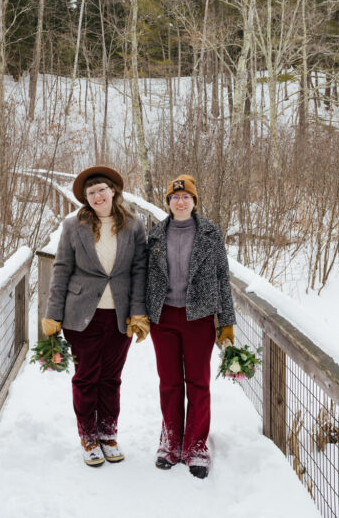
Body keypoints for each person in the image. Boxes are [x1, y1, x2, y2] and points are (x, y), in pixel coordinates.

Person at [42, 166, 149, 467]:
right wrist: (53, 314)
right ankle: (88, 435)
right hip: (81, 317)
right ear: (86, 199)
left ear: (114, 191)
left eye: (102, 189)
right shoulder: (73, 226)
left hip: (120, 316)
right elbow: (61, 269)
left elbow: (140, 271)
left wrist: (139, 312)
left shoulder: (133, 226)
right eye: (91, 193)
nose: (97, 196)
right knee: (87, 377)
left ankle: (108, 433)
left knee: (111, 378)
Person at [145, 174, 235, 479]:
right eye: (174, 197)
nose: (180, 202)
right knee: (169, 382)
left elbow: (223, 278)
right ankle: (171, 441)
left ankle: (196, 445)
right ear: (167, 202)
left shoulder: (210, 233)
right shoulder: (155, 235)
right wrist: (139, 314)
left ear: (194, 201)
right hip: (164, 318)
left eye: (185, 197)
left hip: (198, 318)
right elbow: (144, 277)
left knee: (198, 382)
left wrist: (226, 323)